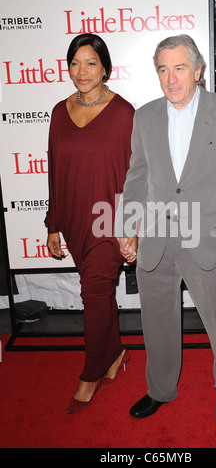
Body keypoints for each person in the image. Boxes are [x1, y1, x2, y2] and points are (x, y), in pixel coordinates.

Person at [115, 35, 216, 423]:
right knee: (156, 322)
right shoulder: (145, 116)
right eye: (163, 69)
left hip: (206, 237)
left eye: (179, 68)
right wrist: (127, 227)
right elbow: (137, 178)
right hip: (156, 240)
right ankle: (160, 389)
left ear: (197, 70)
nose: (171, 78)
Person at [45, 33, 135, 414]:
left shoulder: (124, 113)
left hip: (109, 222)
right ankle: (116, 354)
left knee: (94, 294)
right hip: (74, 221)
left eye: (91, 63)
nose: (82, 72)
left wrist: (131, 227)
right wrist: (53, 224)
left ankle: (92, 371)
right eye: (75, 63)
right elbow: (55, 171)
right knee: (100, 295)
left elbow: (136, 176)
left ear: (105, 67)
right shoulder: (58, 111)